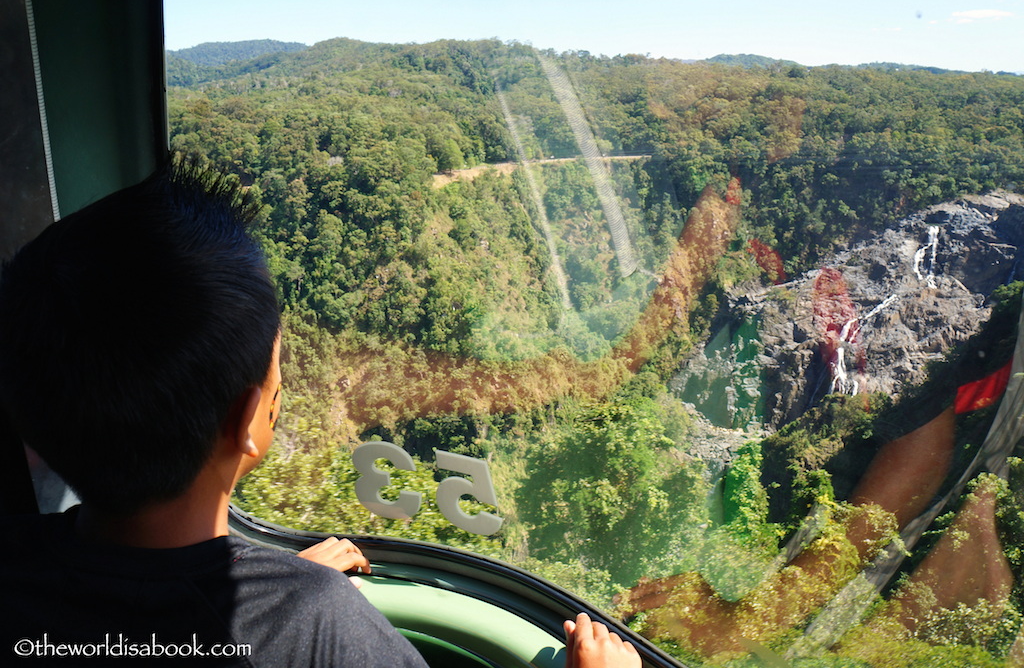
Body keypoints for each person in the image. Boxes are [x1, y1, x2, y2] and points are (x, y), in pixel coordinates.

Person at [0, 160, 638, 667]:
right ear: (250, 420)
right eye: (276, 371)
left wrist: (261, 591)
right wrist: (291, 604)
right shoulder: (322, 629)